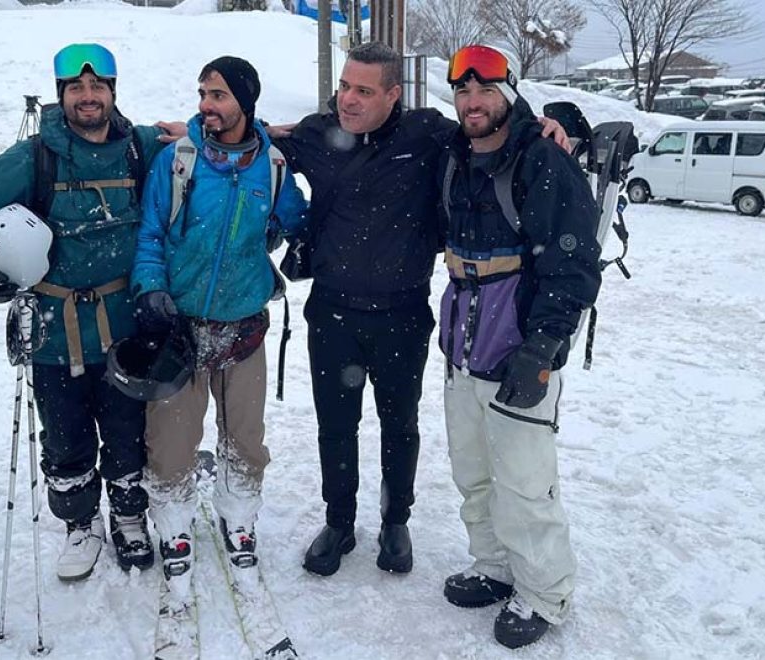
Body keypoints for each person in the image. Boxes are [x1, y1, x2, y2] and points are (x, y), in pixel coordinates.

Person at [259, 41, 568, 578]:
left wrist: (548, 124)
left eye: (362, 90)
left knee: (398, 424)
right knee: (336, 425)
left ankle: (395, 521)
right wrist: (189, 129)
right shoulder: (318, 133)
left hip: (402, 313)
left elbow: (492, 129)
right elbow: (259, 137)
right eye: (344, 87)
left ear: (393, 94)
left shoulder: (427, 134)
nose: (347, 101)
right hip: (332, 312)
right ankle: (338, 521)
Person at [0, 43, 168, 582]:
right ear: (61, 95)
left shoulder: (140, 148)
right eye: (76, 88)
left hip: (123, 325)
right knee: (65, 436)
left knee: (128, 429)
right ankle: (80, 522)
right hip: (53, 329)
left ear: (112, 92)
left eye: (97, 87)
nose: (88, 97)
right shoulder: (34, 157)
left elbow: (209, 141)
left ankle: (130, 517)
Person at [436, 44, 600, 649]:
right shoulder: (454, 156)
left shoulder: (542, 162)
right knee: (473, 471)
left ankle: (543, 591)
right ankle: (494, 566)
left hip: (519, 348)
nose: (472, 103)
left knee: (526, 481)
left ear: (508, 92)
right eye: (462, 92)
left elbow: (574, 266)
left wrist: (544, 347)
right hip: (461, 346)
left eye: (484, 91)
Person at [131, 57, 309, 593]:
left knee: (245, 441)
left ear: (245, 103)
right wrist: (151, 288)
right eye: (203, 93)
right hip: (180, 326)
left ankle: (239, 519)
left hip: (244, 326)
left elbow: (295, 221)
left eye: (219, 95)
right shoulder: (178, 160)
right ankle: (175, 527)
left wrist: (300, 246)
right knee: (170, 441)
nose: (207, 105)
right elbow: (150, 235)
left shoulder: (272, 167)